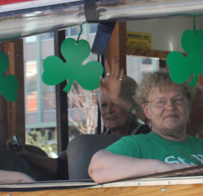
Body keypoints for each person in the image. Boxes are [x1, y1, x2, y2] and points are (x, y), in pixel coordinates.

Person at [10, 58, 150, 179]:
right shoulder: (94, 143)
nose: (109, 111)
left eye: (117, 104)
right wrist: (27, 155)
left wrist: (122, 101)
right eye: (104, 105)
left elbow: (158, 121)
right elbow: (67, 169)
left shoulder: (148, 134)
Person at [88, 70, 203, 184]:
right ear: (147, 111)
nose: (170, 107)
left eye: (178, 100)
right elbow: (97, 167)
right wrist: (159, 168)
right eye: (160, 101)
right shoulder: (138, 144)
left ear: (188, 106)